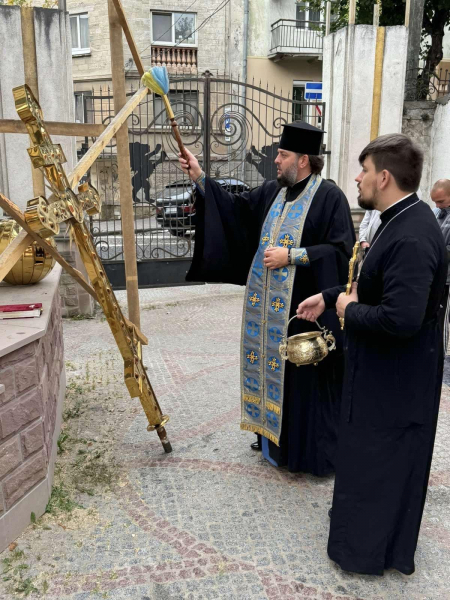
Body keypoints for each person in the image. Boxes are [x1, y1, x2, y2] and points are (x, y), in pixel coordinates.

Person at [297, 133, 447, 575]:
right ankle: (358, 538)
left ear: (383, 177)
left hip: (397, 382)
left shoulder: (414, 235)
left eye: (363, 171)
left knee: (382, 462)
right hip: (382, 375)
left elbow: (400, 318)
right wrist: (330, 296)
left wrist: (349, 308)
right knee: (366, 459)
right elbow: (371, 281)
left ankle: (369, 553)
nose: (357, 179)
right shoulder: (396, 220)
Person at [179, 121, 355, 476]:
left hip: (305, 312)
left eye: (283, 154)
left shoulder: (329, 197)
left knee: (302, 385)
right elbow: (235, 209)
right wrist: (200, 177)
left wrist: (293, 256)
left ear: (303, 160)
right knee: (274, 375)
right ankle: (272, 443)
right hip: (267, 316)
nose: (276, 159)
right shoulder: (274, 192)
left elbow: (341, 252)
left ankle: (303, 454)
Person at [431, 178, 450, 350]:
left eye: (441, 201)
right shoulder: (436, 212)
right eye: (435, 201)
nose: (437, 205)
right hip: (439, 276)